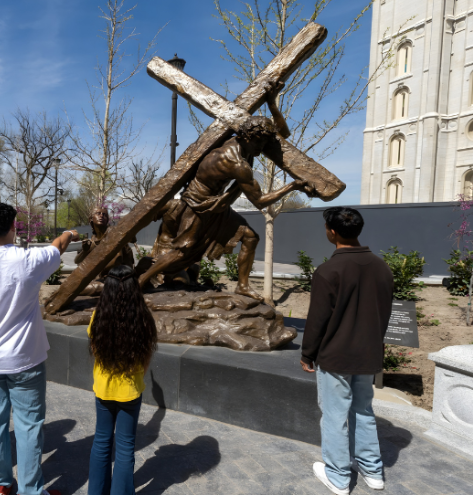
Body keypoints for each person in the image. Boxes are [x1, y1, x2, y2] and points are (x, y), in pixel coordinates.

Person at [138, 81, 314, 298]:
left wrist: (272, 104)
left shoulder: (240, 140)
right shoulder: (237, 164)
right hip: (198, 207)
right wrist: (292, 186)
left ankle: (242, 286)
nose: (261, 148)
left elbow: (282, 134)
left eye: (263, 142)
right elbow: (259, 201)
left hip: (216, 204)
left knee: (250, 237)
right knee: (182, 250)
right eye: (257, 142)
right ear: (245, 137)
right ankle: (141, 281)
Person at [0, 202, 78, 495]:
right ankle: (31, 490)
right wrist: (71, 233)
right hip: (26, 359)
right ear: (14, 227)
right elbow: (58, 245)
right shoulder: (30, 260)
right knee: (29, 425)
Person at [301, 207, 393, 494]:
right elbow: (384, 314)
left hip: (335, 356)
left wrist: (307, 354)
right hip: (367, 355)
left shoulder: (329, 271)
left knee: (334, 415)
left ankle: (339, 477)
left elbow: (317, 320)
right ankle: (373, 471)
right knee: (363, 410)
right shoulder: (381, 267)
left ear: (332, 231)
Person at [87, 264, 157, 495]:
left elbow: (96, 350)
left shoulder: (98, 317)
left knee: (101, 442)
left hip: (103, 391)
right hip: (131, 392)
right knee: (126, 447)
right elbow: (145, 359)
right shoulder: (144, 319)